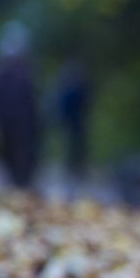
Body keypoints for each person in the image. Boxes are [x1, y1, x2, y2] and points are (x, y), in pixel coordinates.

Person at [0, 21, 39, 191]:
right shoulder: (1, 75)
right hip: (8, 126)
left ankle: (22, 191)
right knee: (9, 161)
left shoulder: (24, 73)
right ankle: (15, 192)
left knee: (23, 163)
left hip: (22, 127)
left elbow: (31, 102)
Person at [51, 60, 90, 191]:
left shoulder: (75, 89)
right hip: (72, 123)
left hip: (77, 123)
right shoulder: (71, 90)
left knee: (76, 146)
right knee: (71, 146)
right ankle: (72, 169)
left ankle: (77, 169)